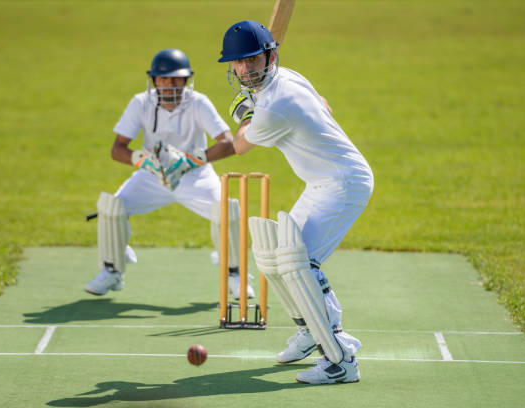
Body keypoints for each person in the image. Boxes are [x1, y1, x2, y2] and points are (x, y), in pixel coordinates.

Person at [218, 21, 374, 385]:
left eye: (251, 60)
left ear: (270, 55)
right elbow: (325, 106)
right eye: (237, 63)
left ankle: (340, 360)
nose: (243, 69)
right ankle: (311, 331)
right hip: (321, 181)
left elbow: (239, 147)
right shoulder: (288, 78)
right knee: (274, 256)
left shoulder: (277, 104)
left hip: (343, 182)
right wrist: (254, 103)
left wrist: (244, 112)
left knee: (301, 263)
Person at [85, 48, 253, 300]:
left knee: (227, 210)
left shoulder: (198, 102)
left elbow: (229, 142)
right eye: (163, 79)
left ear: (186, 80)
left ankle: (235, 275)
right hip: (152, 174)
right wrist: (142, 160)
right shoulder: (141, 102)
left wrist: (190, 160)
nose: (170, 84)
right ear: (153, 80)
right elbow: (117, 149)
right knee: (112, 207)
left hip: (195, 174)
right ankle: (112, 270)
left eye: (176, 79)